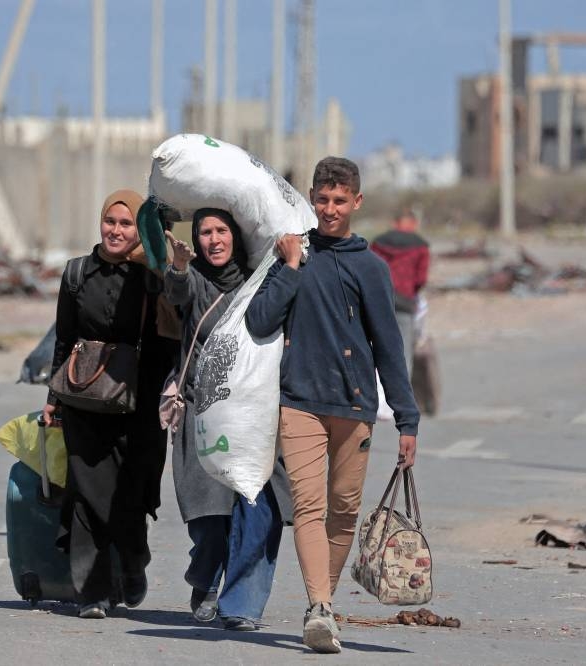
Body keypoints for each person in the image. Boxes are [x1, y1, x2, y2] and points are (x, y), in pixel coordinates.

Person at [245, 157, 420, 654]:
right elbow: (260, 321)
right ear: (311, 198)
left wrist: (406, 419)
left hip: (354, 406)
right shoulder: (292, 255)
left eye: (339, 201)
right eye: (322, 199)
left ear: (356, 203)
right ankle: (319, 607)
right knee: (308, 507)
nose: (329, 209)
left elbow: (388, 347)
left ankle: (325, 602)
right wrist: (292, 267)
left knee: (344, 510)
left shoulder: (370, 268)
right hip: (299, 401)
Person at [42, 189, 177, 619]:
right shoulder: (77, 273)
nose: (116, 231)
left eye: (126, 224)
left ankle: (133, 563)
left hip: (140, 404)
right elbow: (64, 339)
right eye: (110, 222)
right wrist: (53, 399)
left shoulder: (151, 277)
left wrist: (159, 262)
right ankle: (92, 592)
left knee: (131, 494)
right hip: (84, 399)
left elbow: (168, 338)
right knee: (85, 495)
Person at [163, 208, 293, 632]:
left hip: (250, 415)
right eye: (204, 232)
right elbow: (179, 294)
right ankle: (204, 583)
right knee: (208, 519)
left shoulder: (258, 282)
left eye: (221, 231)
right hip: (201, 412)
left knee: (252, 510)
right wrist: (179, 268)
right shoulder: (195, 278)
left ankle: (238, 601)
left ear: (235, 236)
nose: (213, 240)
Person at [370, 209, 430, 376]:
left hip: (379, 302)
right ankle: (401, 396)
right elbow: (421, 279)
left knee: (378, 348)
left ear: (395, 223)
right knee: (404, 353)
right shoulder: (421, 246)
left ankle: (378, 392)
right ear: (413, 224)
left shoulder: (378, 243)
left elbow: (369, 271)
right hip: (405, 303)